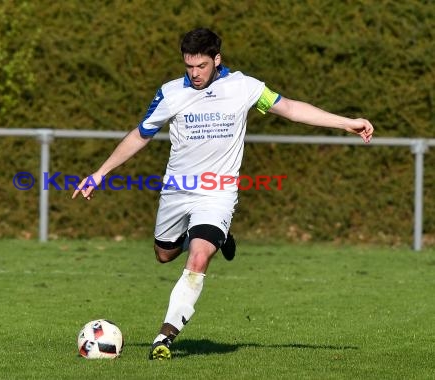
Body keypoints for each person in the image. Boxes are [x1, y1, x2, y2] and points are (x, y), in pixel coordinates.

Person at [72, 27, 374, 360]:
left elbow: (290, 108)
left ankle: (165, 336)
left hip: (218, 193)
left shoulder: (244, 87)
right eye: (189, 66)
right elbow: (140, 135)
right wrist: (100, 173)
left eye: (201, 66)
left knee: (199, 256)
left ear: (217, 59)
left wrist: (346, 122)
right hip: (177, 191)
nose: (194, 74)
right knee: (164, 254)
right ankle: (217, 236)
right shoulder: (171, 93)